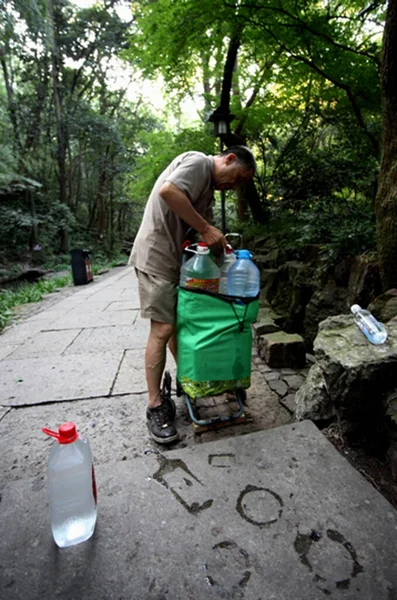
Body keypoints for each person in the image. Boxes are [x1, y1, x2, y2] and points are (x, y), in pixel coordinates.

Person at [129, 145, 256, 444]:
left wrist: (226, 253)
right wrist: (206, 227)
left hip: (178, 262)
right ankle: (155, 405)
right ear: (228, 159)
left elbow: (203, 235)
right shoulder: (199, 162)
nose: (234, 186)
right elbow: (168, 191)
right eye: (237, 178)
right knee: (162, 328)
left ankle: (187, 379)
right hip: (157, 257)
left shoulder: (207, 190)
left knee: (180, 323)